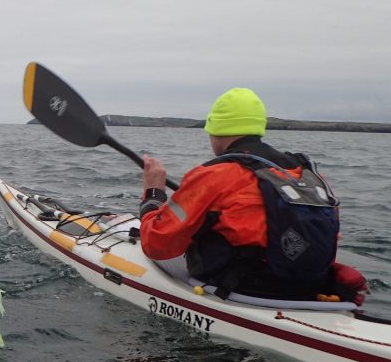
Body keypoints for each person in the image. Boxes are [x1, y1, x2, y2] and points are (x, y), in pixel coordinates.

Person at [139, 87, 366, 302]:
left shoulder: (214, 174)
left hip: (245, 289)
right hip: (306, 287)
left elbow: (155, 244)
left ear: (216, 130)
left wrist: (153, 193)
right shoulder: (306, 172)